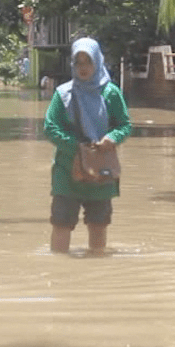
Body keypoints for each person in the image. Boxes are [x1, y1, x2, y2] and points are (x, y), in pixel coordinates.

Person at [43, 37, 131, 255]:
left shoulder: (111, 93)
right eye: (78, 62)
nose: (83, 68)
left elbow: (125, 125)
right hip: (67, 170)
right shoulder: (63, 94)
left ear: (98, 62)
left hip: (102, 170)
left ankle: (97, 276)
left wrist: (112, 138)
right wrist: (78, 149)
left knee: (98, 225)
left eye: (88, 62)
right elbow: (50, 127)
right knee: (62, 224)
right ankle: (59, 273)